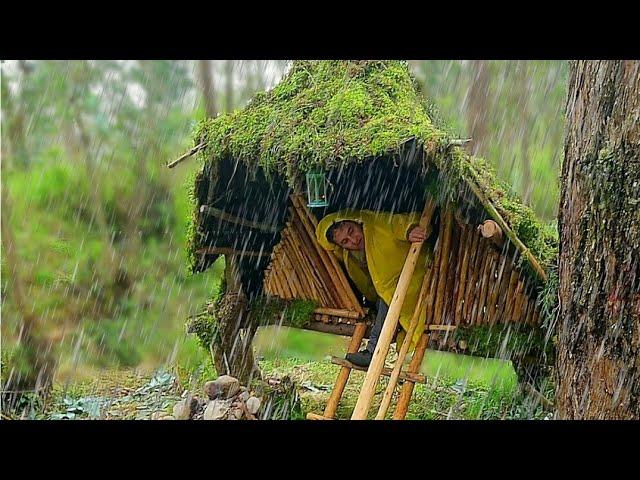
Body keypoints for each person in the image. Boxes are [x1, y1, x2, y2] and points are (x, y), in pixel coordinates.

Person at [315, 209, 435, 368]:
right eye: (345, 241)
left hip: (415, 280)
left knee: (389, 301)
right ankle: (395, 356)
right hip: (387, 294)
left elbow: (399, 223)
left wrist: (411, 231)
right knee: (385, 302)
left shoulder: (377, 224)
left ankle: (373, 351)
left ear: (356, 221)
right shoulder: (349, 256)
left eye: (351, 231)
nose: (353, 240)